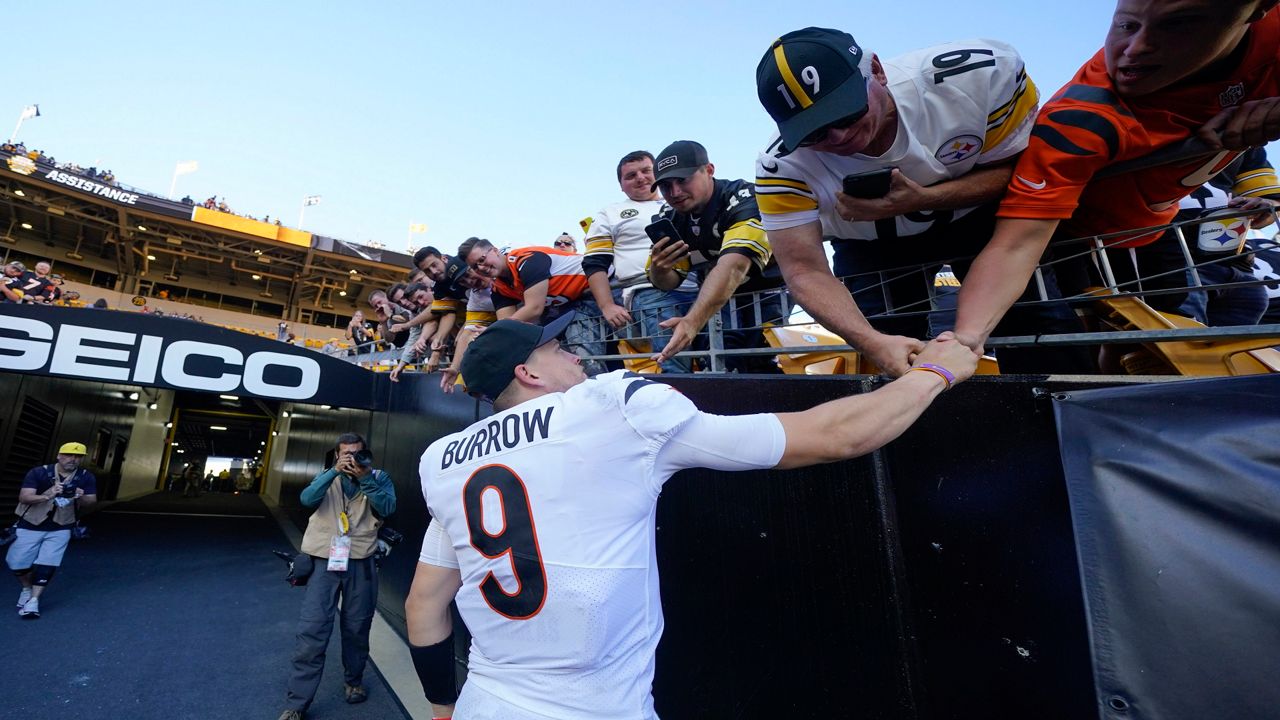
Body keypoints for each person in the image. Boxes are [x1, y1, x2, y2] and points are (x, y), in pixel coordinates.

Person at [404, 314, 977, 719]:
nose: (575, 354)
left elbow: (423, 605)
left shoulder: (444, 461)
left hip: (487, 698)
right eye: (556, 349)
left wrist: (442, 707)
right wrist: (937, 373)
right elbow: (837, 435)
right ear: (528, 373)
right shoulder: (610, 406)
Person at [754, 27, 1087, 376]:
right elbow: (805, 271)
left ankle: (1071, 413)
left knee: (1035, 324)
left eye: (846, 113)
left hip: (976, 219)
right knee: (886, 345)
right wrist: (871, 342)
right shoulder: (780, 168)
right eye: (814, 132)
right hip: (871, 246)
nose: (839, 136)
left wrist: (924, 199)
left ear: (877, 72)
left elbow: (1022, 173)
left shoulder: (981, 77)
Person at [954, 0, 1280, 356]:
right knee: (1087, 337)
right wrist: (965, 342)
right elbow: (1016, 245)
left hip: (1160, 232)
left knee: (1176, 339)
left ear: (1258, 10)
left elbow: (1266, 196)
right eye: (1126, 24)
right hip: (1084, 236)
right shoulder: (1078, 123)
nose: (1137, 48)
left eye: (1180, 24)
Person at [279, 433, 396, 720]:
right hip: (324, 561)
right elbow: (307, 499)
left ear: (365, 453)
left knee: (357, 628)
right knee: (313, 630)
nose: (352, 459)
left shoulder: (379, 477)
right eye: (346, 454)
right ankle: (297, 704)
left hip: (361, 562)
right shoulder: (327, 477)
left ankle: (353, 682)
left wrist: (366, 478)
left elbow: (388, 507)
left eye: (357, 453)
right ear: (336, 455)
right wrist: (333, 471)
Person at [647, 140, 786, 373]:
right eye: (665, 186)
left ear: (709, 170)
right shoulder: (668, 216)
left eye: (683, 180)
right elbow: (669, 281)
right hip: (715, 300)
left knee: (760, 359)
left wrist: (692, 321)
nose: (675, 192)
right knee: (718, 360)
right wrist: (659, 270)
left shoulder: (744, 197)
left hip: (767, 293)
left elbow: (734, 267)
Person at [583, 150, 701, 373]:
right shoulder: (610, 213)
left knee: (717, 358)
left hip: (702, 287)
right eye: (630, 175)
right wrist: (607, 305)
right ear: (621, 185)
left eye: (646, 171)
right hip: (651, 291)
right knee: (675, 361)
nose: (640, 178)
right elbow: (594, 262)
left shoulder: (681, 202)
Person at [7, 442, 97, 619]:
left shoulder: (86, 477)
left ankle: (34, 601)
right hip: (30, 524)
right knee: (16, 561)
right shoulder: (39, 472)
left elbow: (91, 501)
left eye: (78, 456)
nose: (73, 459)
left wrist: (81, 496)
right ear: (59, 455)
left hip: (62, 526)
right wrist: (48, 494)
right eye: (69, 455)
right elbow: (24, 497)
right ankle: (27, 587)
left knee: (49, 561)